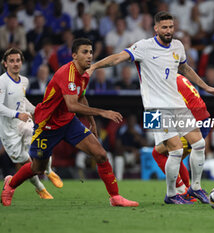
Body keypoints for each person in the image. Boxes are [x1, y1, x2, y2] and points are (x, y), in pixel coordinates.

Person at [90, 11, 214, 204]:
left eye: (171, 27)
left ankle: (195, 188)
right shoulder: (143, 47)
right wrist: (94, 67)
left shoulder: (178, 46)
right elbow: (118, 58)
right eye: (165, 27)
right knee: (175, 151)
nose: (169, 31)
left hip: (177, 104)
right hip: (155, 109)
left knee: (199, 144)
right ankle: (171, 194)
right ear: (156, 28)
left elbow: (185, 68)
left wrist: (207, 87)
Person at [1, 39, 139, 207]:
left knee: (101, 154)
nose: (89, 56)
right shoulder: (66, 73)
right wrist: (103, 112)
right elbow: (72, 104)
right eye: (84, 52)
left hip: (68, 121)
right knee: (37, 168)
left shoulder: (85, 73)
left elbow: (81, 96)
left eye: (90, 52)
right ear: (74, 55)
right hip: (47, 125)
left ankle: (115, 197)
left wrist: (92, 122)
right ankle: (11, 184)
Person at [0, 48, 62, 201]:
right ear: (5, 63)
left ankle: (48, 170)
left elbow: (22, 101)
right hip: (8, 130)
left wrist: (36, 111)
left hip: (24, 122)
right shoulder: (2, 81)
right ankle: (40, 188)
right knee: (25, 163)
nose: (15, 64)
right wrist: (17, 114)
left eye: (18, 60)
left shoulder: (24, 80)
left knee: (38, 141)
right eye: (12, 61)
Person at [152, 74, 212, 201]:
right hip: (203, 119)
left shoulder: (163, 81)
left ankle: (180, 190)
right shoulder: (177, 76)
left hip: (194, 121)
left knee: (159, 153)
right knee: (176, 156)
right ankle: (188, 189)